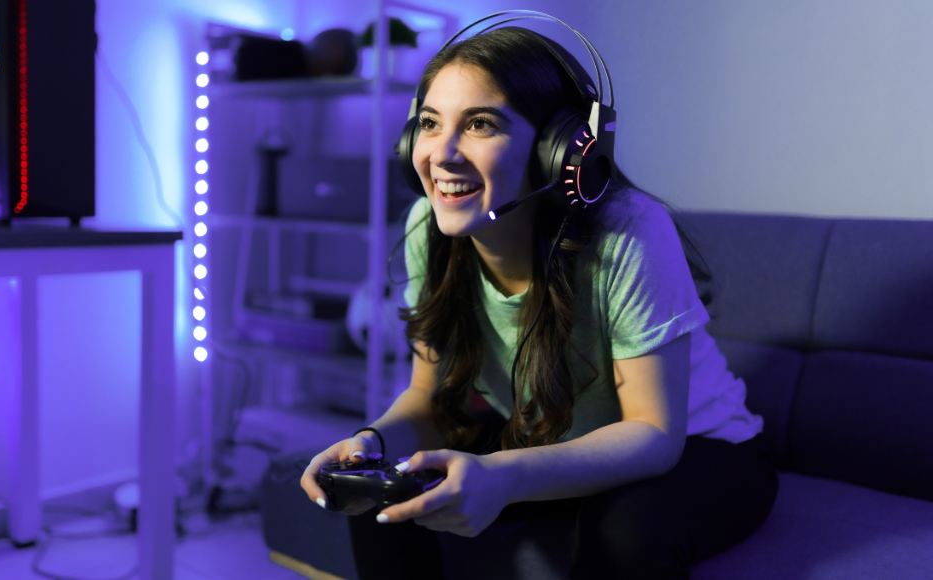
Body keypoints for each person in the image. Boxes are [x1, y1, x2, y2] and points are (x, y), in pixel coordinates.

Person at [300, 24, 777, 580]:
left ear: (560, 150)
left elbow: (652, 434)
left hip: (701, 449)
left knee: (624, 528)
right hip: (549, 435)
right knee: (386, 494)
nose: (442, 154)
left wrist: (503, 475)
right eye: (429, 124)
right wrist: (369, 445)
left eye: (480, 124)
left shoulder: (630, 231)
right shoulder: (427, 227)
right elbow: (427, 399)